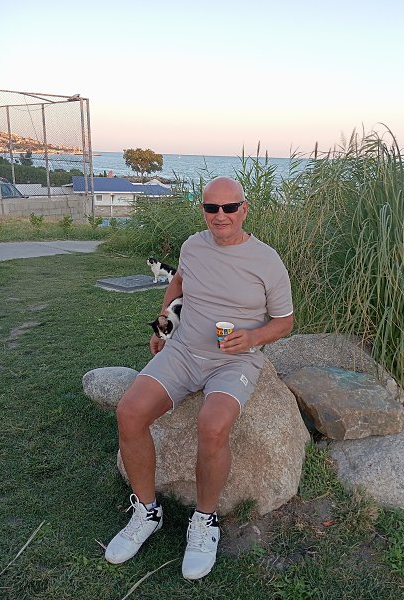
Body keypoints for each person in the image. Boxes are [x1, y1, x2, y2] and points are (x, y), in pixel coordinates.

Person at [105, 176, 294, 579]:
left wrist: (252, 338)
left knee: (212, 425)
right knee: (129, 412)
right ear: (203, 210)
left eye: (229, 207)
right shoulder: (192, 246)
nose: (220, 215)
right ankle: (147, 511)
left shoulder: (266, 260)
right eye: (212, 208)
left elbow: (284, 321)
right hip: (184, 352)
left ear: (244, 209)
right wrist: (163, 327)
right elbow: (178, 282)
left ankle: (204, 519)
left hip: (234, 360)